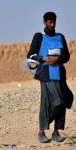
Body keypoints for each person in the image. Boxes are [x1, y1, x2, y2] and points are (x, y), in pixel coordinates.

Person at [27, 12, 72, 143]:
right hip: (45, 74)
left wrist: (57, 58)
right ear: (44, 23)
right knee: (48, 103)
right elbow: (31, 55)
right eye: (49, 22)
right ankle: (41, 131)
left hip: (60, 74)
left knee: (62, 102)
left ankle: (56, 132)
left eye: (53, 22)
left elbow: (66, 56)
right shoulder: (39, 37)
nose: (52, 25)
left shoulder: (60, 37)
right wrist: (43, 58)